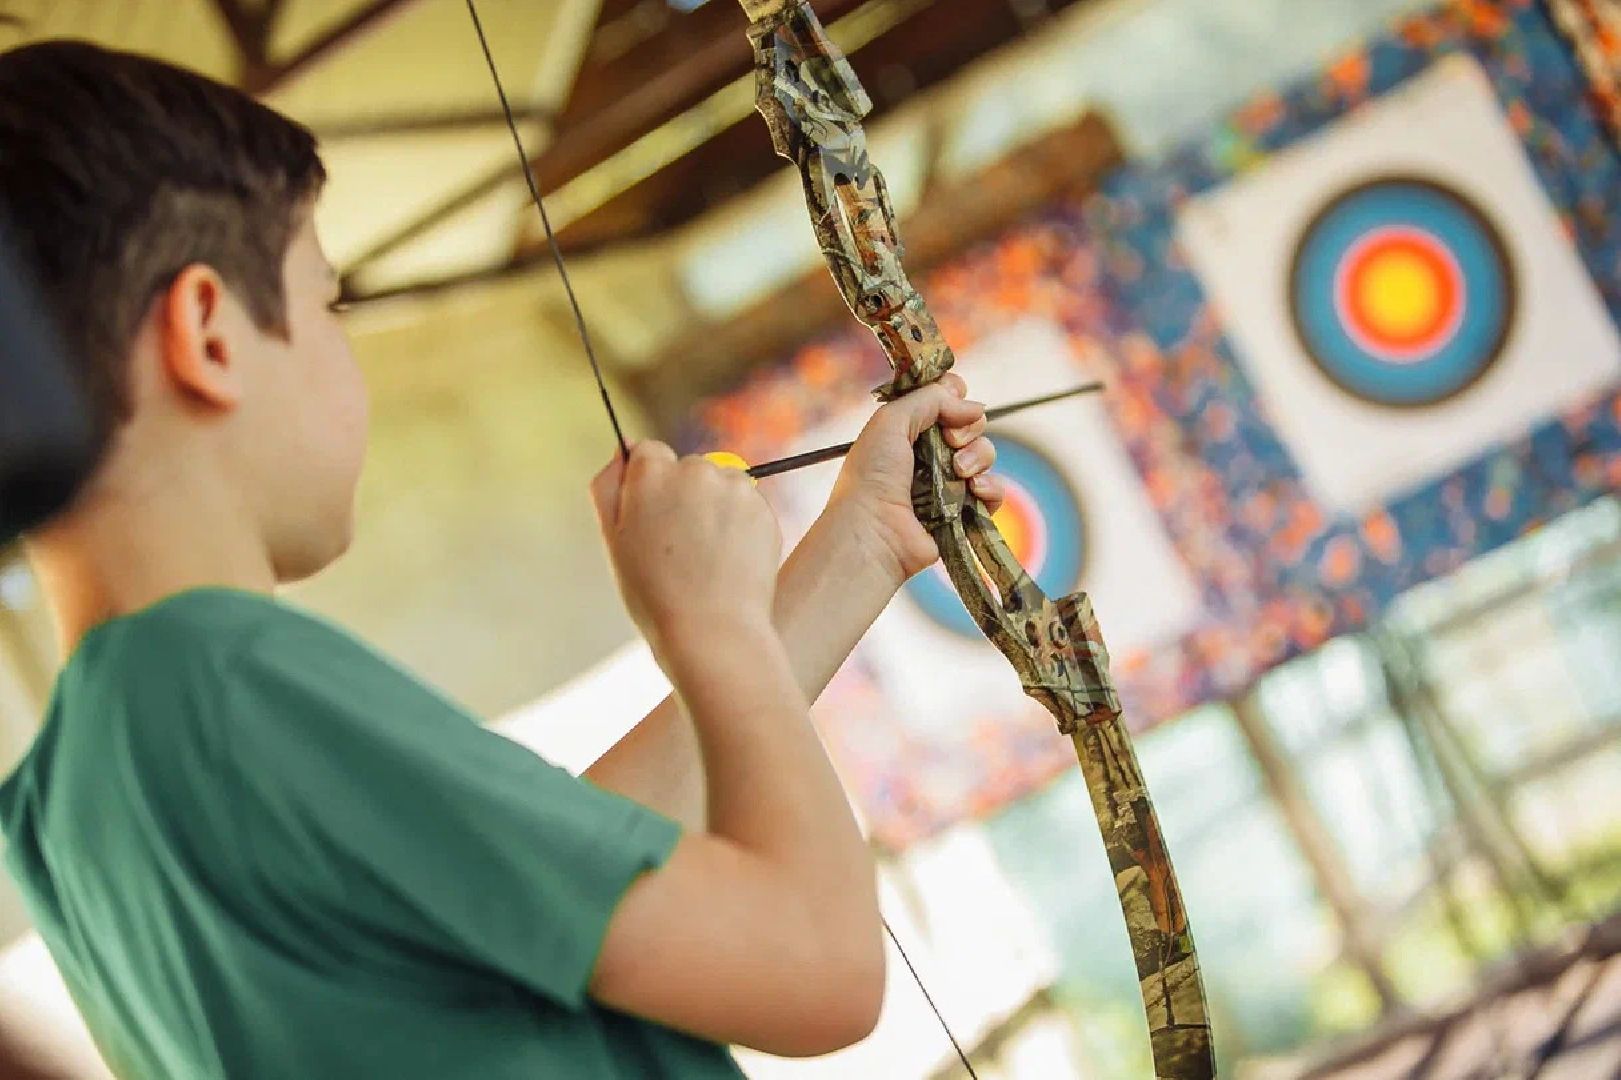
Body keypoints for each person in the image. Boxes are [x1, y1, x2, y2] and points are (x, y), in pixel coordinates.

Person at [0, 40, 1004, 1080]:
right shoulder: (220, 676)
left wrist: (862, 543)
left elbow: (557, 890)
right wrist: (714, 628)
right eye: (328, 306)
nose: (346, 356)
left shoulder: (60, 805)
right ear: (209, 333)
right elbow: (819, 972)